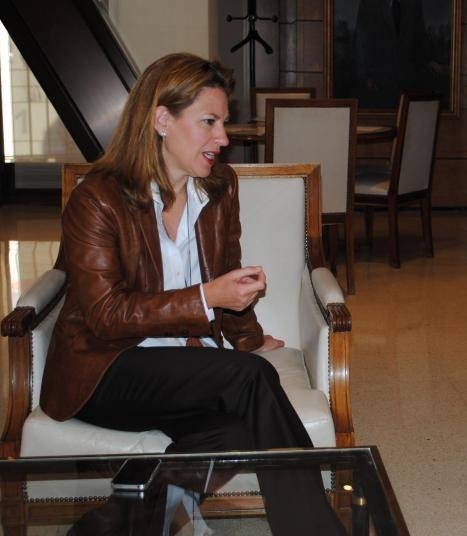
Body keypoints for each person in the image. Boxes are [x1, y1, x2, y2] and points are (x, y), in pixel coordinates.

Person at [42, 52, 345, 535]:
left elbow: (228, 271)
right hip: (104, 368)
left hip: (183, 366)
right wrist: (208, 299)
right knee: (248, 381)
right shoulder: (98, 198)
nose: (222, 138)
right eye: (208, 122)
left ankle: (106, 529)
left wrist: (247, 335)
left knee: (232, 429)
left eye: (223, 123)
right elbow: (104, 315)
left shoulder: (218, 186)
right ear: (162, 119)